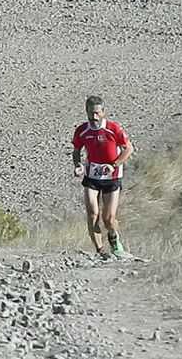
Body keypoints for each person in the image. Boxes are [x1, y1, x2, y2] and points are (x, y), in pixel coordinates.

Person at [72, 96, 134, 257]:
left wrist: (113, 165)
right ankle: (100, 250)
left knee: (108, 218)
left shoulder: (113, 129)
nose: (94, 117)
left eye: (97, 113)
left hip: (112, 176)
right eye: (91, 113)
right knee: (92, 213)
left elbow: (129, 149)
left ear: (103, 112)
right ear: (86, 112)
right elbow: (77, 151)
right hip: (92, 176)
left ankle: (113, 237)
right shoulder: (82, 131)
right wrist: (78, 165)